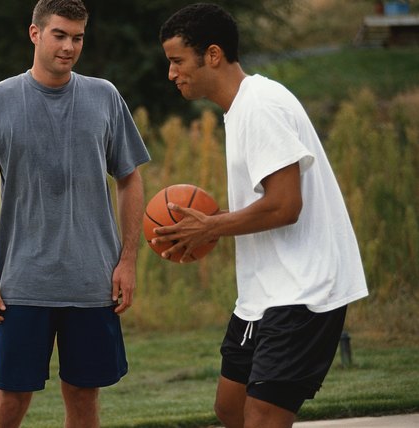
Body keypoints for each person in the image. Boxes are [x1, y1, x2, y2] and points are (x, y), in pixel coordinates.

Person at [155, 4, 368, 427]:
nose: (171, 73)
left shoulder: (262, 106)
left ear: (212, 54)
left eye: (178, 61)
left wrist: (209, 226)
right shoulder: (240, 109)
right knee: (230, 408)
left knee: (262, 417)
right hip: (264, 294)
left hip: (303, 290)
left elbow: (285, 205)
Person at [0, 0, 150, 426]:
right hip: (23, 285)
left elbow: (130, 179)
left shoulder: (105, 96)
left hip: (92, 283)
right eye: (59, 34)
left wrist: (128, 260)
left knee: (83, 398)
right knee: (10, 401)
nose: (69, 46)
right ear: (35, 33)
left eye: (78, 37)